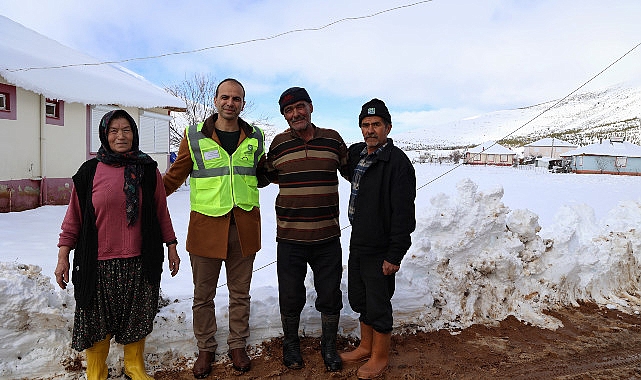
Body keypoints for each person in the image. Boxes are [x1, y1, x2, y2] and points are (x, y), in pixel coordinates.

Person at [54, 109, 181, 380]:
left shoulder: (147, 170)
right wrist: (63, 256)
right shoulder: (89, 172)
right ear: (104, 134)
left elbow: (161, 212)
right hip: (97, 263)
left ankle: (134, 366)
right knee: (96, 318)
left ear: (134, 134)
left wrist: (171, 245)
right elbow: (73, 218)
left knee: (137, 316)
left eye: (126, 130)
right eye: (113, 130)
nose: (120, 135)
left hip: (139, 260)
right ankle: (96, 371)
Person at [163, 78, 266, 378]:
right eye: (225, 97)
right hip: (206, 227)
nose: (230, 103)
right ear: (216, 100)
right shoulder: (194, 136)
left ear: (243, 103)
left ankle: (237, 345)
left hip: (244, 227)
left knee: (240, 293)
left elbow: (262, 173)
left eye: (236, 98)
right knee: (203, 295)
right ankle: (206, 347)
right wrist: (147, 198)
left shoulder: (255, 137)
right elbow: (174, 177)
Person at [264, 87, 347, 372]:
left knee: (330, 294)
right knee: (290, 295)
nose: (296, 113)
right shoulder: (278, 145)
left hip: (327, 237)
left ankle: (329, 346)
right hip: (290, 238)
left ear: (310, 107)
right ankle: (291, 344)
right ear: (284, 116)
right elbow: (265, 176)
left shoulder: (334, 140)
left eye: (300, 106)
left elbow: (353, 170)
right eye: (289, 110)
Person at [340, 98, 416, 379]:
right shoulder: (359, 154)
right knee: (360, 297)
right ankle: (365, 346)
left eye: (376, 125)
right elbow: (343, 164)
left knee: (379, 301)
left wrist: (395, 254)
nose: (370, 130)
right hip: (359, 240)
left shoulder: (397, 164)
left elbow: (404, 214)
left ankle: (380, 356)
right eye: (365, 125)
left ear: (388, 127)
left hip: (381, 246)